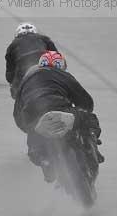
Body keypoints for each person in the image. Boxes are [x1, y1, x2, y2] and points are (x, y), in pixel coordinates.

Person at [12, 48, 104, 182]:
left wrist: (29, 128)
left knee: (35, 147)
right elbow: (86, 102)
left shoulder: (25, 82)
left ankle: (45, 162)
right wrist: (81, 111)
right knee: (90, 119)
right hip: (59, 110)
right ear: (61, 66)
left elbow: (17, 116)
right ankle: (92, 146)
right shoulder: (62, 75)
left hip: (35, 120)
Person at [5, 23, 58, 100]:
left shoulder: (13, 45)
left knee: (16, 94)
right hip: (44, 64)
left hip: (24, 68)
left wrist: (11, 83)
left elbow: (10, 71)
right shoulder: (44, 39)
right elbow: (56, 56)